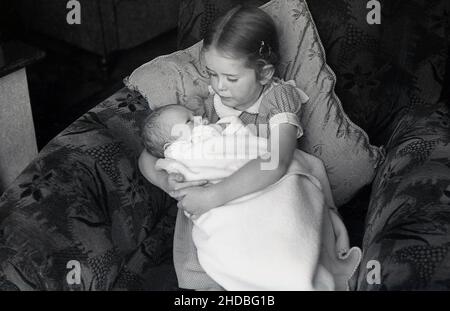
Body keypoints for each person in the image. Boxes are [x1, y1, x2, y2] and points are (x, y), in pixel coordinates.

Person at [139, 5, 357, 290]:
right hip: (218, 209)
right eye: (212, 74)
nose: (220, 87)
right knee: (223, 255)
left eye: (231, 78)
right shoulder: (206, 104)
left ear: (264, 73)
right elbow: (149, 154)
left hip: (270, 190)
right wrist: (168, 180)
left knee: (282, 253)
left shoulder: (279, 98)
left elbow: (277, 161)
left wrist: (213, 196)